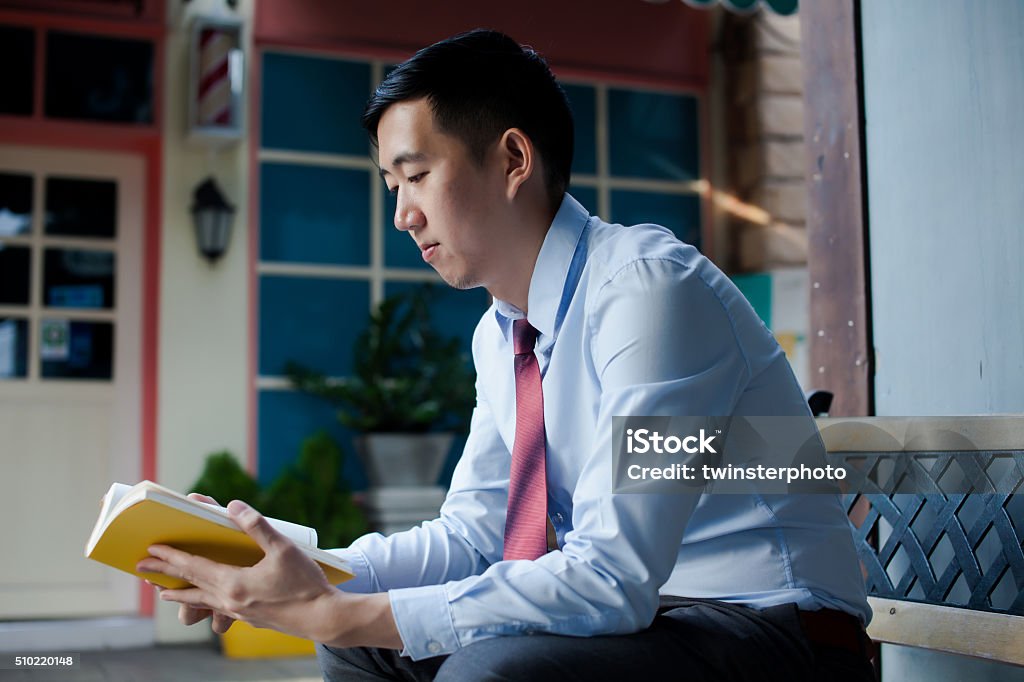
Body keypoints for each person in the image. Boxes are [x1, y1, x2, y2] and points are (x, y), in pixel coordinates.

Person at [139, 29, 876, 681]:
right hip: (660, 622)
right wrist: (294, 567)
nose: (402, 214)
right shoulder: (503, 335)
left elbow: (611, 579)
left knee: (486, 669)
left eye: (417, 175)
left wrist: (335, 613)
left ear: (514, 158)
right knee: (365, 648)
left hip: (776, 629)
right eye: (391, 185)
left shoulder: (650, 291)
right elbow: (474, 534)